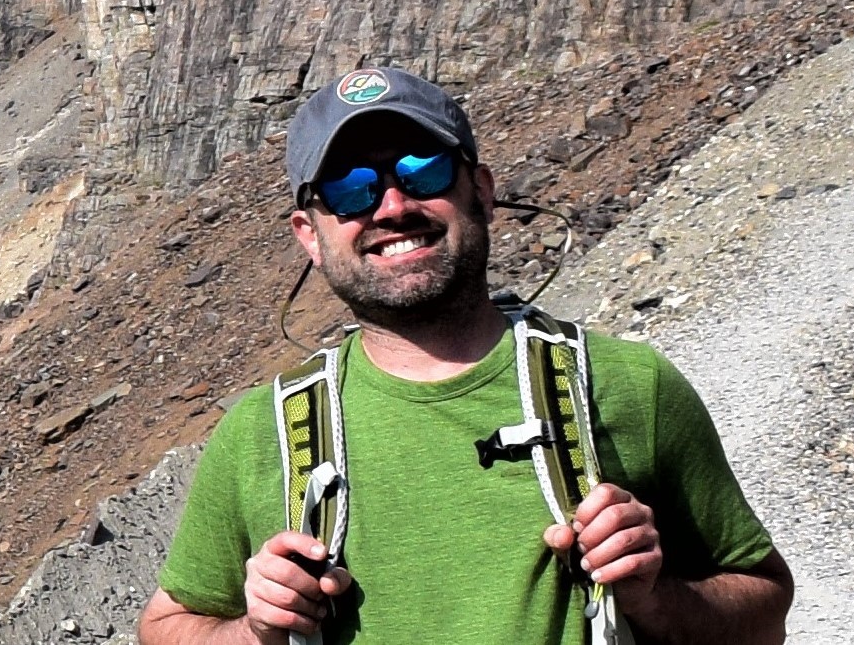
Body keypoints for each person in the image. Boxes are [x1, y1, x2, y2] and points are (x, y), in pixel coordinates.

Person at [137, 67, 794, 645]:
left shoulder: (628, 384)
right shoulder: (259, 434)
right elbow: (164, 626)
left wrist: (655, 600)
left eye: (423, 169)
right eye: (349, 189)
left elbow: (764, 609)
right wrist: (253, 630)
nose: (393, 205)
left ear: (478, 189)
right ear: (310, 234)